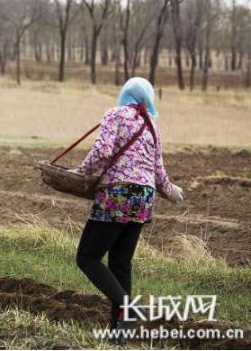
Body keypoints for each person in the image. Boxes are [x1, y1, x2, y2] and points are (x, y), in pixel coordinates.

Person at [73, 77, 184, 334]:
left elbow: (101, 152)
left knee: (87, 257)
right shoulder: (151, 125)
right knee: (120, 263)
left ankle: (128, 307)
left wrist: (80, 172)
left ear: (125, 95)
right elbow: (158, 171)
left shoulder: (115, 114)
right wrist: (171, 191)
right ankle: (118, 334)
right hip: (144, 199)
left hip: (117, 194)